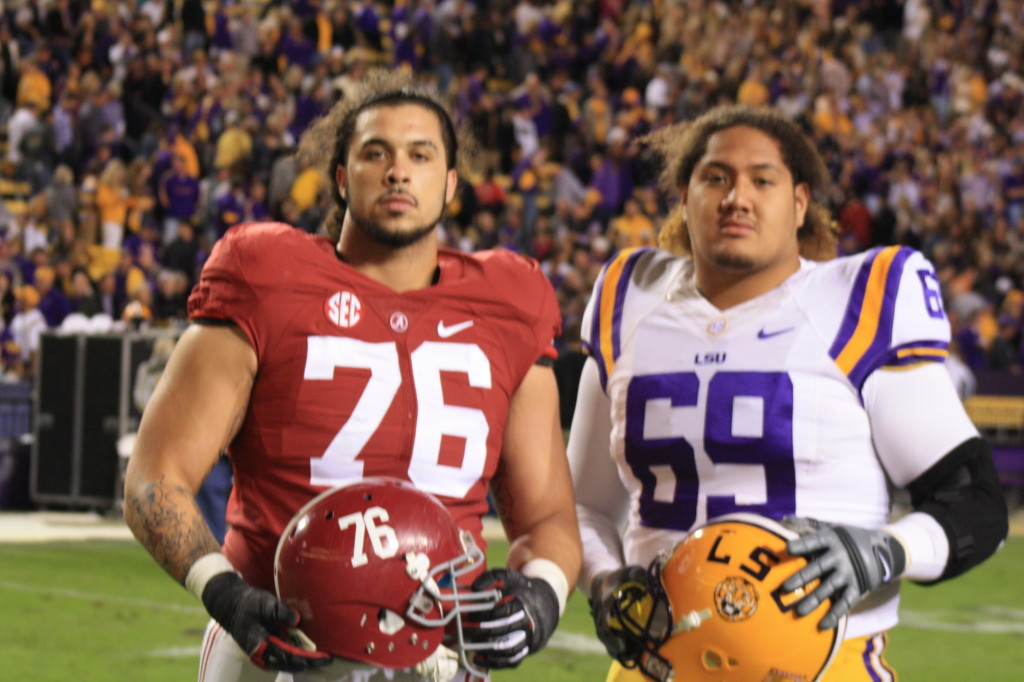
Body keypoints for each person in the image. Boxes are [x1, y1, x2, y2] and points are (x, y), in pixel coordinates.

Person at [123, 70, 581, 682]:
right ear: (341, 178)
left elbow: (548, 516)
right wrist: (223, 591)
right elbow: (156, 478)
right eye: (376, 153)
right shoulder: (265, 273)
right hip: (280, 640)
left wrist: (542, 596)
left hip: (441, 652)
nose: (398, 171)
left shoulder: (509, 301)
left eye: (420, 155)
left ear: (449, 185)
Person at [567, 105, 1008, 682]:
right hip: (656, 665)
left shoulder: (856, 303)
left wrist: (880, 552)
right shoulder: (631, 299)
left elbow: (975, 503)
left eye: (762, 179)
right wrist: (604, 580)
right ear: (683, 195)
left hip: (822, 665)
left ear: (799, 202)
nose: (736, 197)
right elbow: (582, 507)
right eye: (716, 177)